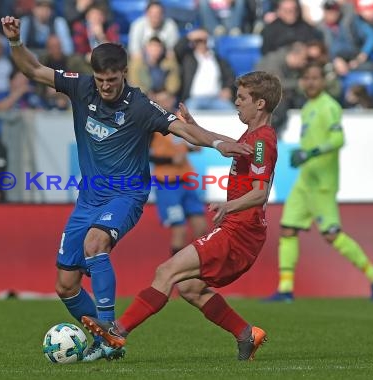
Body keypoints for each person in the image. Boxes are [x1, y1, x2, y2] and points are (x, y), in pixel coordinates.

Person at [1, 15, 254, 362]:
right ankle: (103, 338)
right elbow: (33, 70)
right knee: (66, 284)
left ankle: (108, 334)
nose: (106, 86)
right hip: (89, 198)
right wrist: (15, 41)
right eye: (101, 80)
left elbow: (183, 130)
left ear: (124, 73)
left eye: (112, 79)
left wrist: (216, 142)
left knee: (95, 242)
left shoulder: (139, 105)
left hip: (126, 194)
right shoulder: (80, 86)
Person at [81, 71, 282, 361]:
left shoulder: (263, 141)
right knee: (190, 287)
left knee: (166, 271)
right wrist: (196, 127)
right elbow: (230, 149)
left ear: (260, 103)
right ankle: (247, 334)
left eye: (241, 98)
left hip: (240, 230)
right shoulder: (254, 137)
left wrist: (230, 206)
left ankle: (118, 332)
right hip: (240, 228)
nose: (236, 103)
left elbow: (260, 193)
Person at [264, 63, 373, 302]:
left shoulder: (329, 106)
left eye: (315, 78)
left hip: (322, 184)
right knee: (288, 229)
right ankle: (285, 290)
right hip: (305, 182)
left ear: (323, 81)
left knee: (332, 235)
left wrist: (311, 153)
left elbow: (338, 138)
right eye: (306, 78)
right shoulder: (309, 106)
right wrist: (301, 153)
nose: (310, 82)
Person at [150, 132, 208, 256]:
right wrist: (170, 160)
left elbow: (178, 146)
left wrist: (192, 149)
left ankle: (196, 265)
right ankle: (177, 270)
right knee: (180, 231)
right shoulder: (152, 124)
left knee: (201, 227)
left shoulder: (179, 119)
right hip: (167, 185)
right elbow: (143, 154)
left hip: (185, 181)